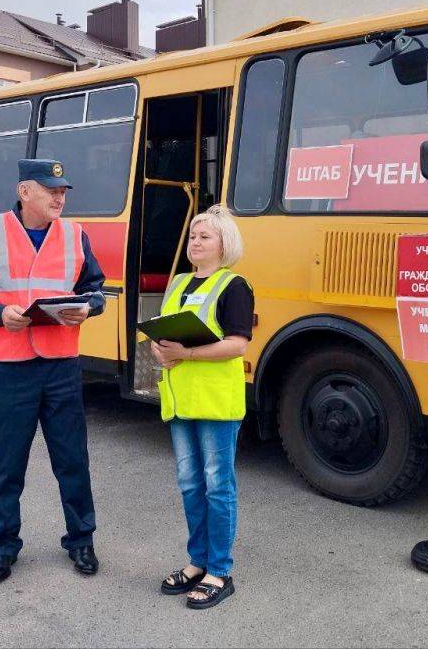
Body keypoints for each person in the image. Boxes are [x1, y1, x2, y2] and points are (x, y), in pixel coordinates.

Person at [0, 159, 106, 584]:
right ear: (24, 192)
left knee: (72, 458)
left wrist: (87, 307)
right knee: (7, 463)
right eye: (50, 189)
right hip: (8, 367)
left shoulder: (75, 235)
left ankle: (81, 540)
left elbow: (97, 289)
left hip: (60, 366)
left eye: (63, 190)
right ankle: (3, 546)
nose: (60, 197)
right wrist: (0, 314)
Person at [152, 205, 254, 610]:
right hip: (180, 401)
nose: (195, 242)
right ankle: (197, 562)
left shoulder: (235, 286)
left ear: (223, 244)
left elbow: (239, 343)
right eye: (193, 236)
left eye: (204, 237)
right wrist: (160, 351)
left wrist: (188, 353)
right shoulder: (178, 283)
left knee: (218, 486)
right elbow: (163, 334)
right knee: (190, 484)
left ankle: (219, 570)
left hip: (215, 403)